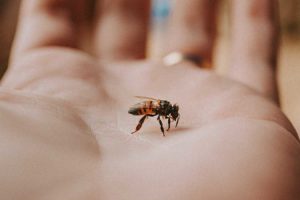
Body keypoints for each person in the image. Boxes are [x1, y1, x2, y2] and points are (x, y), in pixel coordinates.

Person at [0, 0, 299, 199]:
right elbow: (150, 110)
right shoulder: (160, 110)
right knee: (147, 113)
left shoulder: (166, 110)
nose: (172, 115)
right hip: (138, 111)